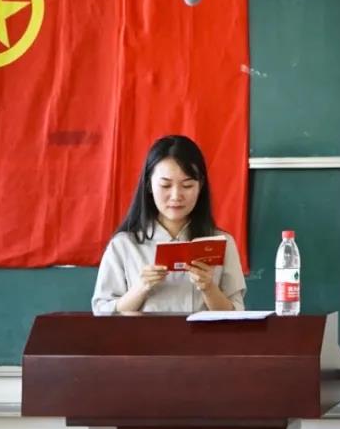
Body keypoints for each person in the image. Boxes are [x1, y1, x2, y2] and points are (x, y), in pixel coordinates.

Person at [92, 134, 245, 314]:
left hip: (201, 334)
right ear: (149, 184)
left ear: (200, 186)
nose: (176, 196)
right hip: (145, 334)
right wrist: (141, 288)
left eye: (187, 186)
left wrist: (209, 288)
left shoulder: (221, 243)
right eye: (165, 185)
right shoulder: (124, 245)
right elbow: (102, 312)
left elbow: (237, 314)